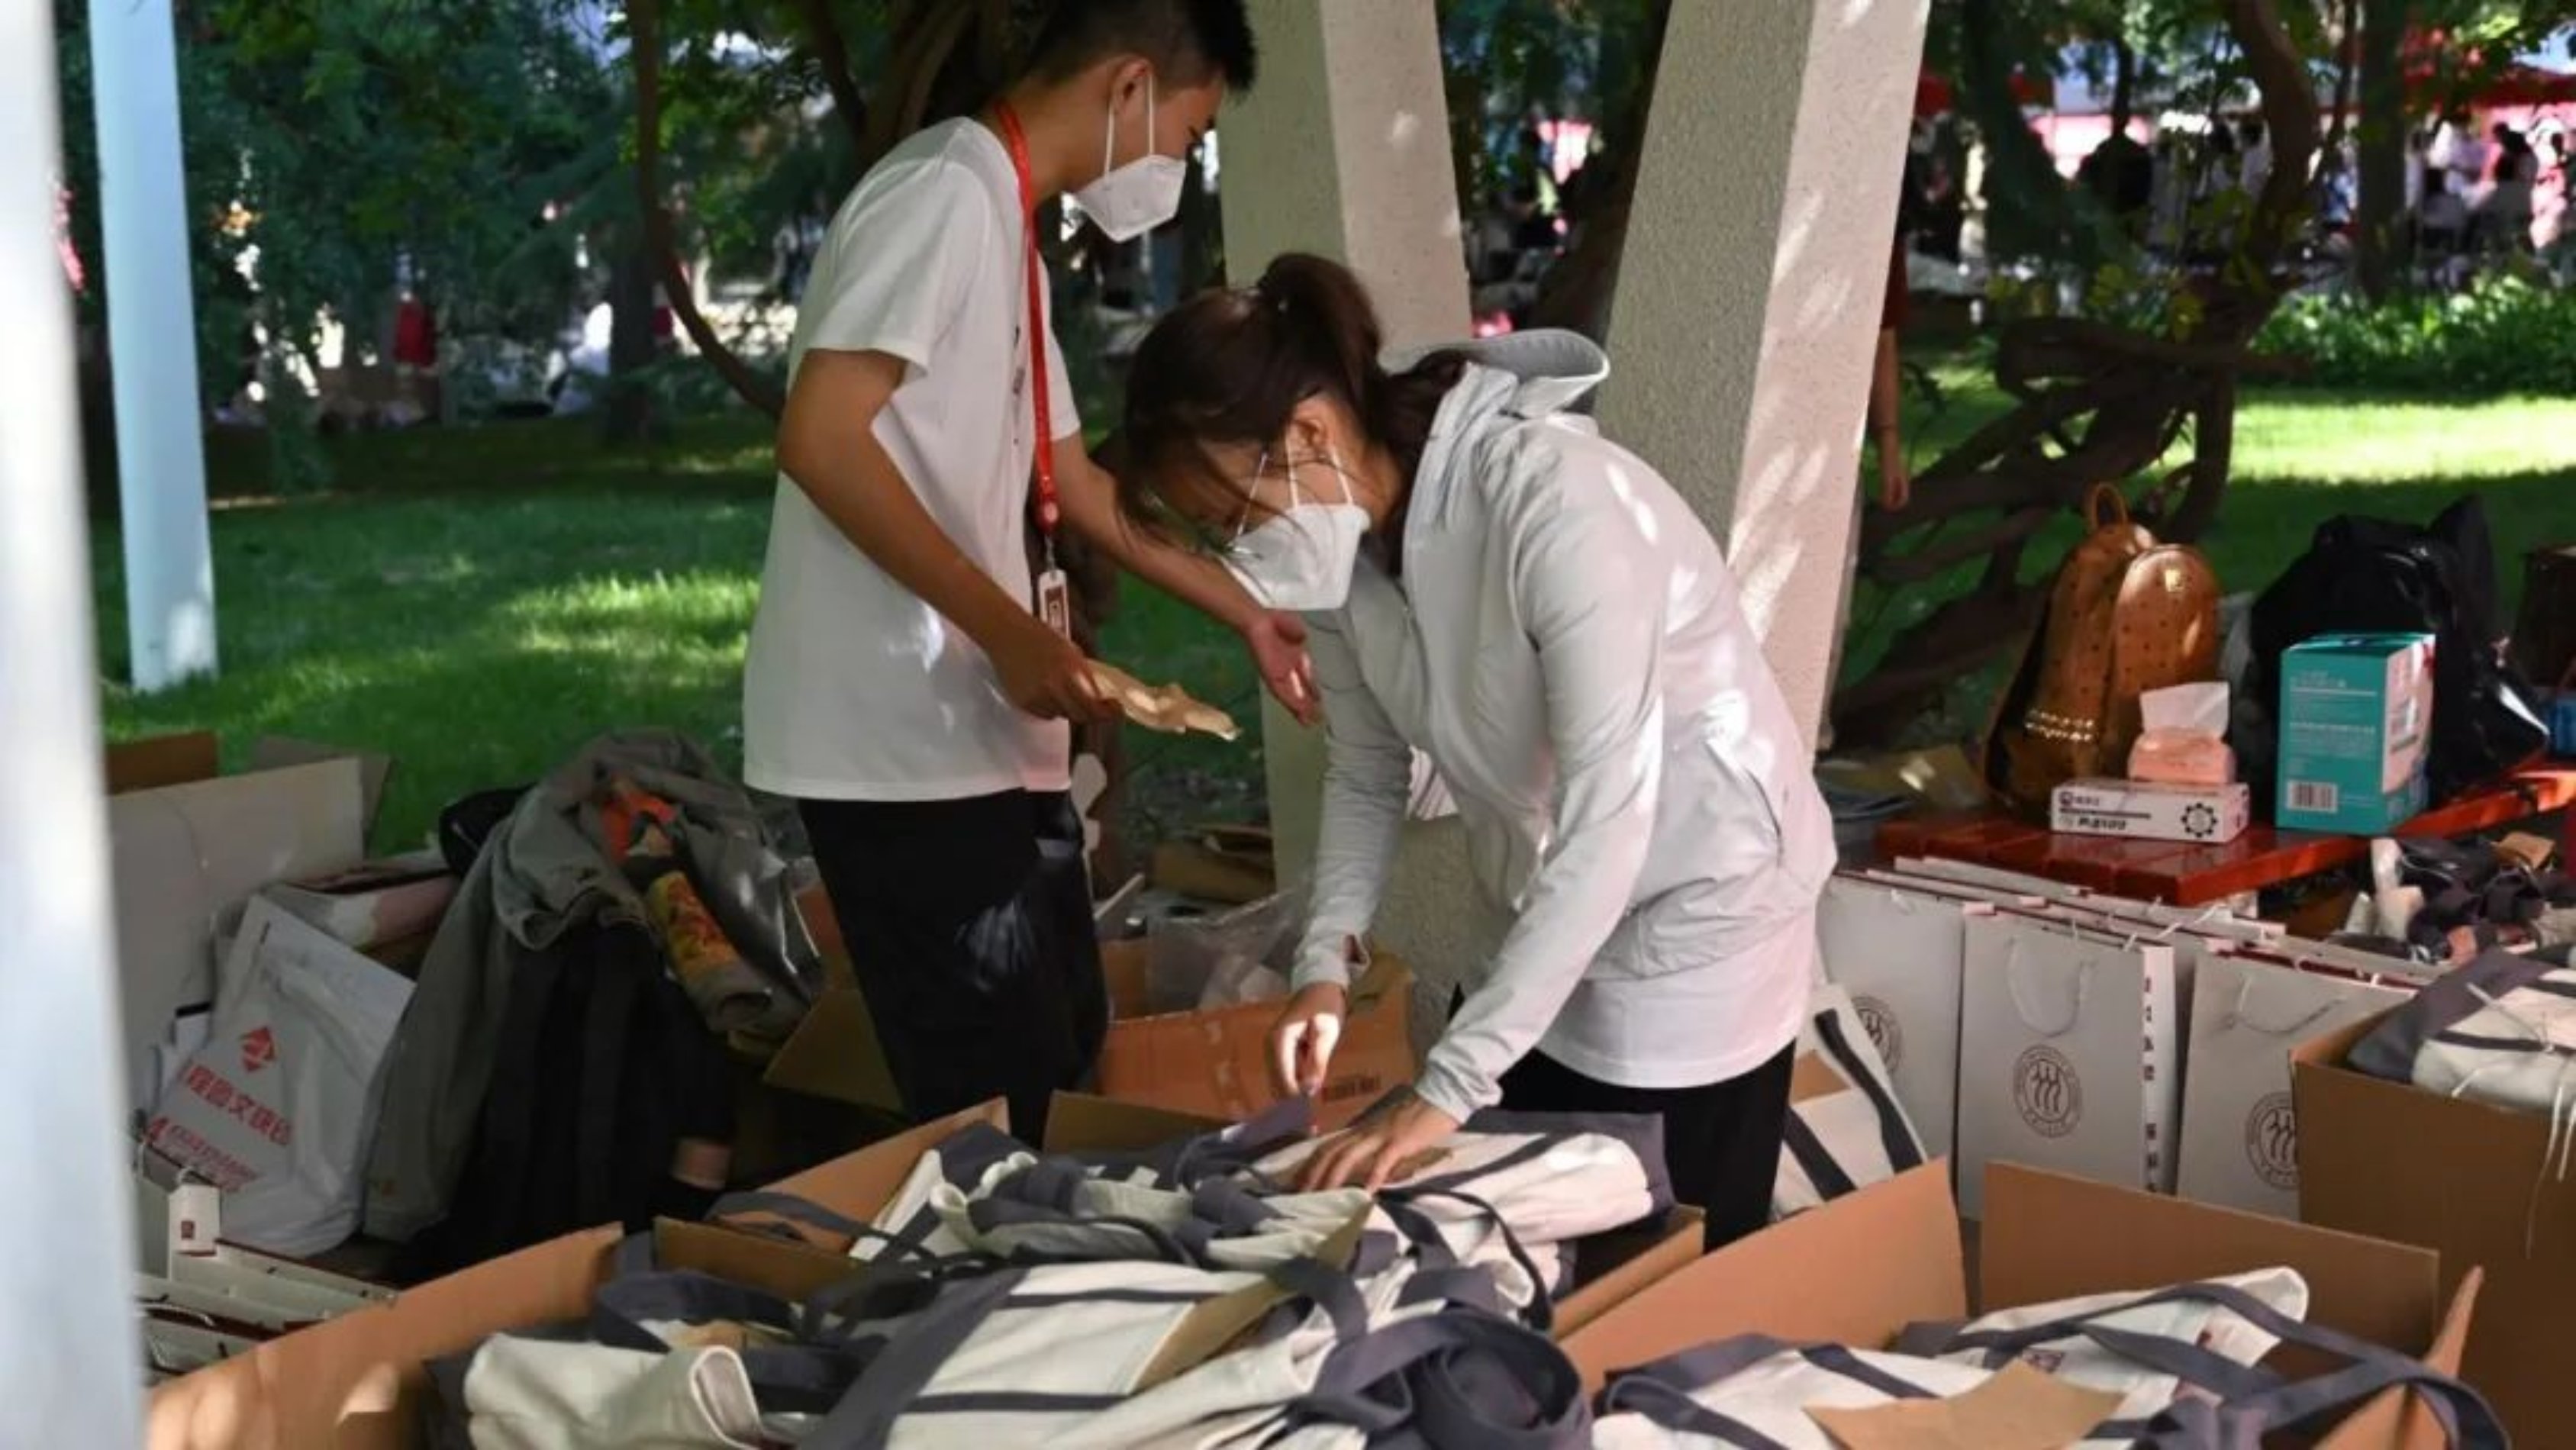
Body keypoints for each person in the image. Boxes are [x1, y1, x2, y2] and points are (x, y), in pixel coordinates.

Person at [1114, 254, 1836, 1248]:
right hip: (1544, 923)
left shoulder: (1559, 504)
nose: (1238, 558)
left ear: (1308, 434)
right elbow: (1368, 769)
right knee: (1520, 1257)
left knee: (1666, 1268)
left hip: (1696, 926)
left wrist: (1445, 1087)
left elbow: (1608, 820)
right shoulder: (1342, 552)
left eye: (1227, 519)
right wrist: (1323, 964)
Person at [743, 0, 1308, 1143]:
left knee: (1064, 1052)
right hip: (899, 749)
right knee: (1004, 1110)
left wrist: (1248, 613)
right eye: (1187, 136)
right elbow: (821, 438)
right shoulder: (941, 195)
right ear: (1129, 86)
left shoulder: (1004, 222)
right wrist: (1010, 634)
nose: (1175, 165)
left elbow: (1076, 484)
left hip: (986, 738)